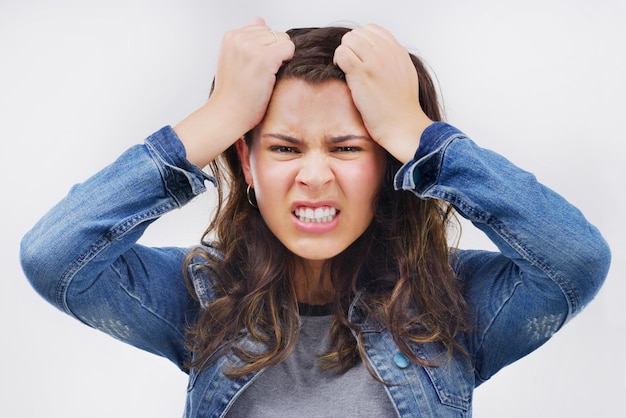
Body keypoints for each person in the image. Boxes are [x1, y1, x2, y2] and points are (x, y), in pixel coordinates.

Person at [20, 17, 610, 417]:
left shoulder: (454, 303)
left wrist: (420, 135)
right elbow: (54, 257)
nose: (314, 175)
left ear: (391, 166)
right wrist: (219, 117)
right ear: (247, 165)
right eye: (284, 147)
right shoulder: (200, 296)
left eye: (348, 148)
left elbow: (575, 260)